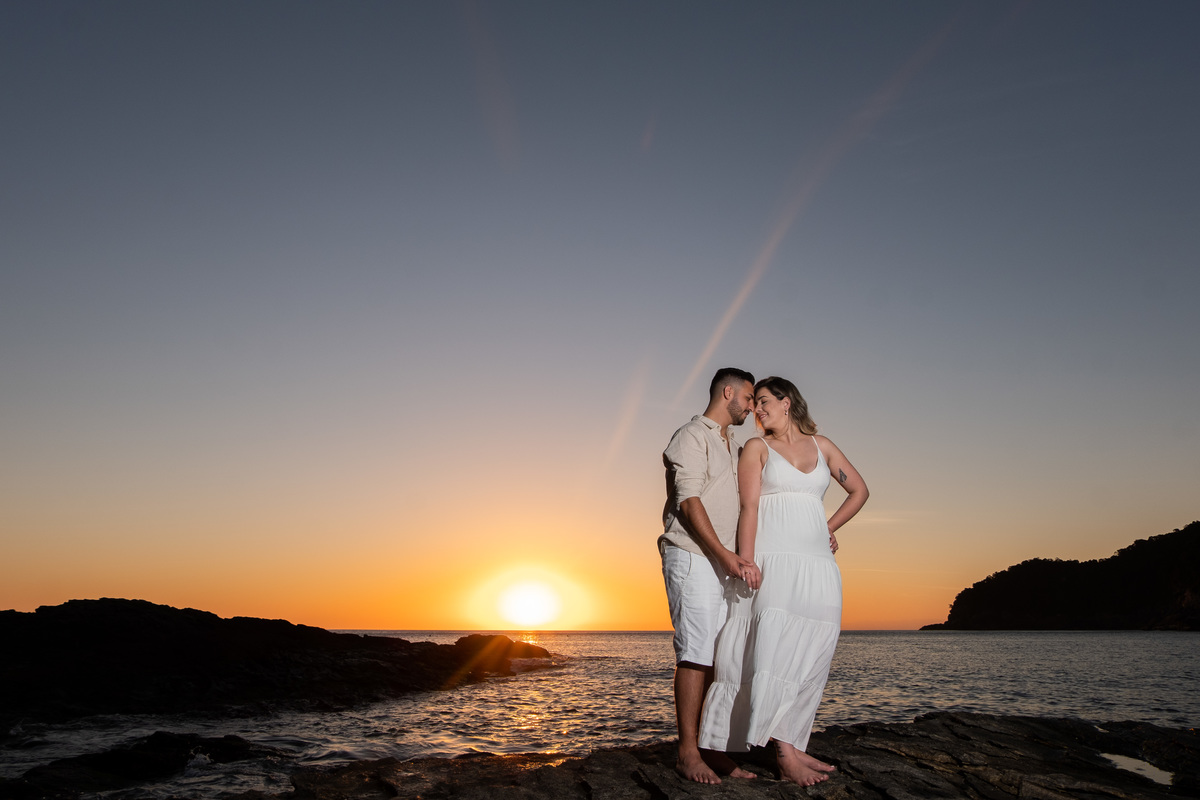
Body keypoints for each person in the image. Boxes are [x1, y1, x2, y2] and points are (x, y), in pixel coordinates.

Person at [699, 376, 868, 786]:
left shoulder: (822, 445)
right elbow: (749, 508)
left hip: (817, 564)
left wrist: (828, 528)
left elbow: (859, 492)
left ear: (786, 402)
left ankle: (793, 739)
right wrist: (747, 560)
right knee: (773, 650)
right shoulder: (757, 449)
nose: (757, 409)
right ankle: (783, 753)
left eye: (763, 401)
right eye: (754, 403)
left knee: (814, 649)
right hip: (772, 562)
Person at [659, 367, 761, 784]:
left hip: (723, 563)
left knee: (722, 655)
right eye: (750, 398)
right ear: (728, 391)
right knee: (696, 652)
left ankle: (712, 748)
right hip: (693, 555)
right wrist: (723, 554)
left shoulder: (734, 446)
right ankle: (686, 753)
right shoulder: (691, 435)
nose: (753, 407)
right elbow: (688, 500)